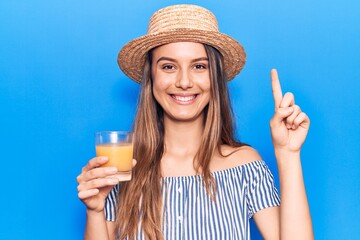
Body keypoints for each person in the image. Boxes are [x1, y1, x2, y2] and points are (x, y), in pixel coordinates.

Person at [76, 4, 313, 240]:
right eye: (168, 66)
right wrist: (95, 211)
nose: (184, 82)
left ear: (215, 78)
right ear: (151, 78)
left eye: (199, 66)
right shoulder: (123, 169)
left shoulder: (245, 166)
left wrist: (288, 154)